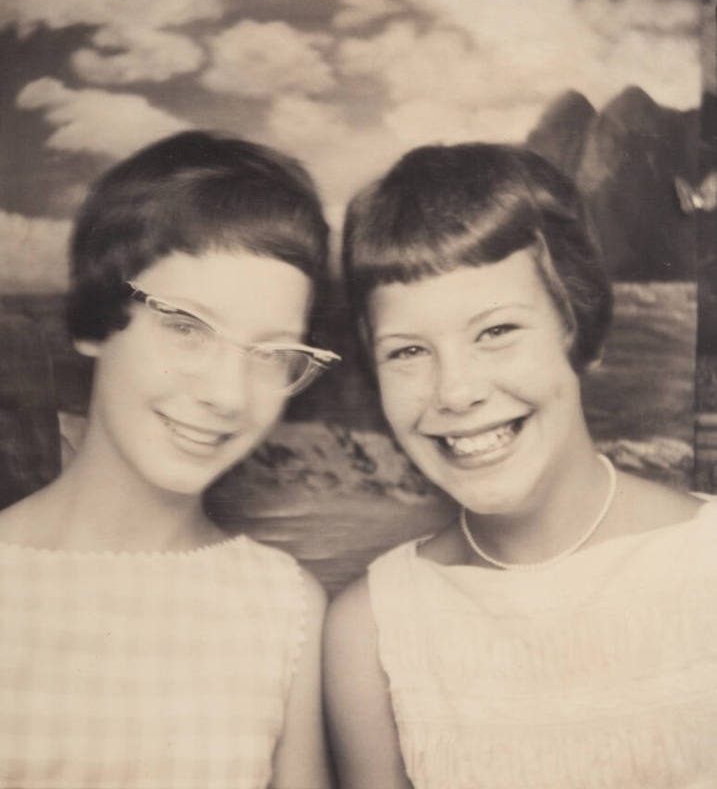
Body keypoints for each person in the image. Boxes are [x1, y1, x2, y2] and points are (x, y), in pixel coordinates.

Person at [324, 141, 717, 789]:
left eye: (496, 331)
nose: (454, 391)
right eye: (407, 351)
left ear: (576, 325)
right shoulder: (370, 633)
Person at [0, 130, 339, 789]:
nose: (224, 394)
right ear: (96, 319)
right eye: (186, 326)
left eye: (270, 353)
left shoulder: (282, 606)